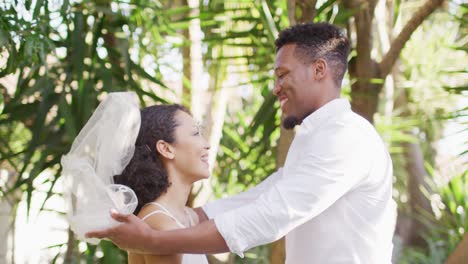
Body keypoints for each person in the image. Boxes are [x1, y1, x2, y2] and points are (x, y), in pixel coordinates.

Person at [86, 22, 397, 263]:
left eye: (282, 74)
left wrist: (153, 241)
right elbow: (266, 195)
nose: (276, 89)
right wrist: (189, 216)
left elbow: (273, 213)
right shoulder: (315, 139)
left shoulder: (347, 137)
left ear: (319, 70)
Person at [61, 93, 210, 264]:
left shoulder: (187, 217)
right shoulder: (160, 225)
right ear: (166, 149)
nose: (207, 144)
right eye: (195, 133)